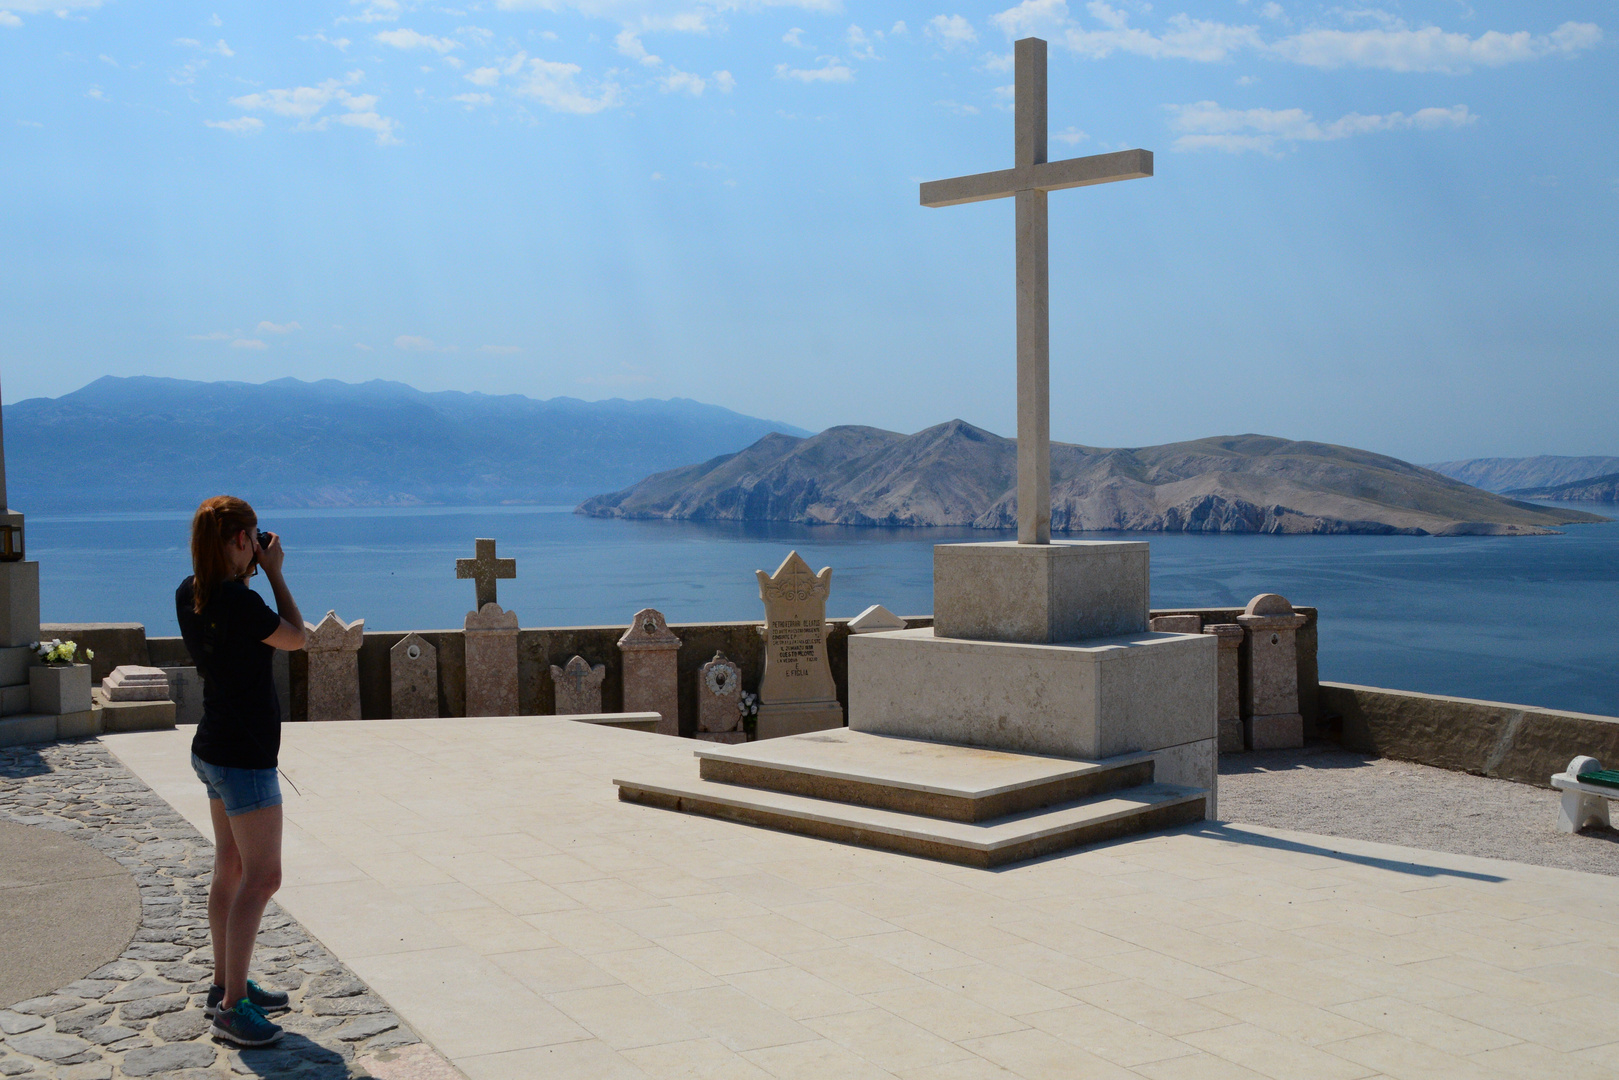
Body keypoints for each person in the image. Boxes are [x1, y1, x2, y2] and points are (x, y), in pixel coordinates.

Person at [176, 496, 307, 1048]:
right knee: (263, 876)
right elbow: (298, 635)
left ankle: (224, 982)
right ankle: (233, 1009)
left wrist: (251, 570)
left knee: (228, 866)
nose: (259, 544)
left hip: (212, 747)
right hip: (245, 758)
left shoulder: (192, 591)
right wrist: (275, 575)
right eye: (252, 536)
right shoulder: (243, 602)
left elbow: (237, 623)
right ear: (236, 541)